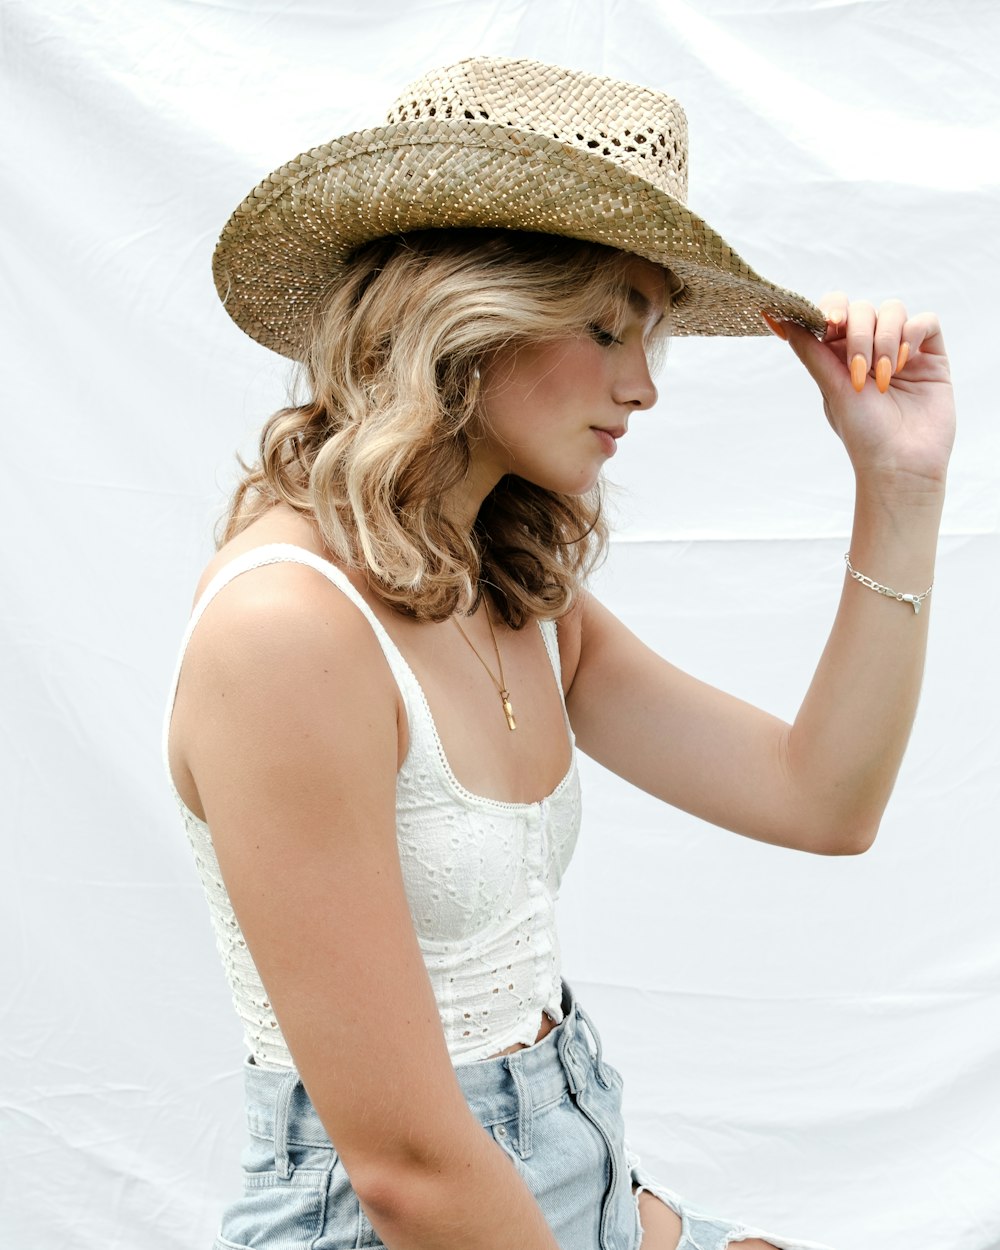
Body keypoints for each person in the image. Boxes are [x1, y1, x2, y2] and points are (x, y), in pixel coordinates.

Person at [164, 56, 954, 1250]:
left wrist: (898, 483)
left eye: (654, 335)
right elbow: (407, 1169)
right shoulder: (291, 631)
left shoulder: (515, 595)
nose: (641, 386)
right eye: (604, 327)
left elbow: (823, 798)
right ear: (466, 315)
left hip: (573, 1183)